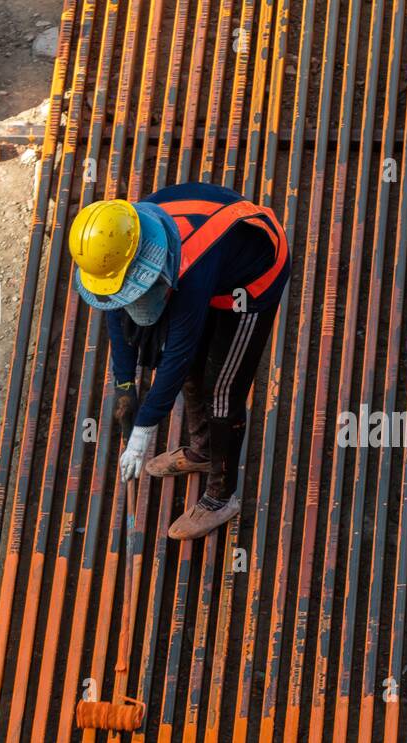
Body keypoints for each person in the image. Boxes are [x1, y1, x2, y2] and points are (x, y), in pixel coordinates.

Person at [67, 182, 290, 539]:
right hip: (209, 273)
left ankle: (222, 498)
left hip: (248, 285)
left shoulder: (191, 263)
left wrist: (143, 430)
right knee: (190, 372)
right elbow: (114, 306)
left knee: (222, 390)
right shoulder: (120, 238)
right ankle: (202, 451)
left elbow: (178, 351)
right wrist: (125, 385)